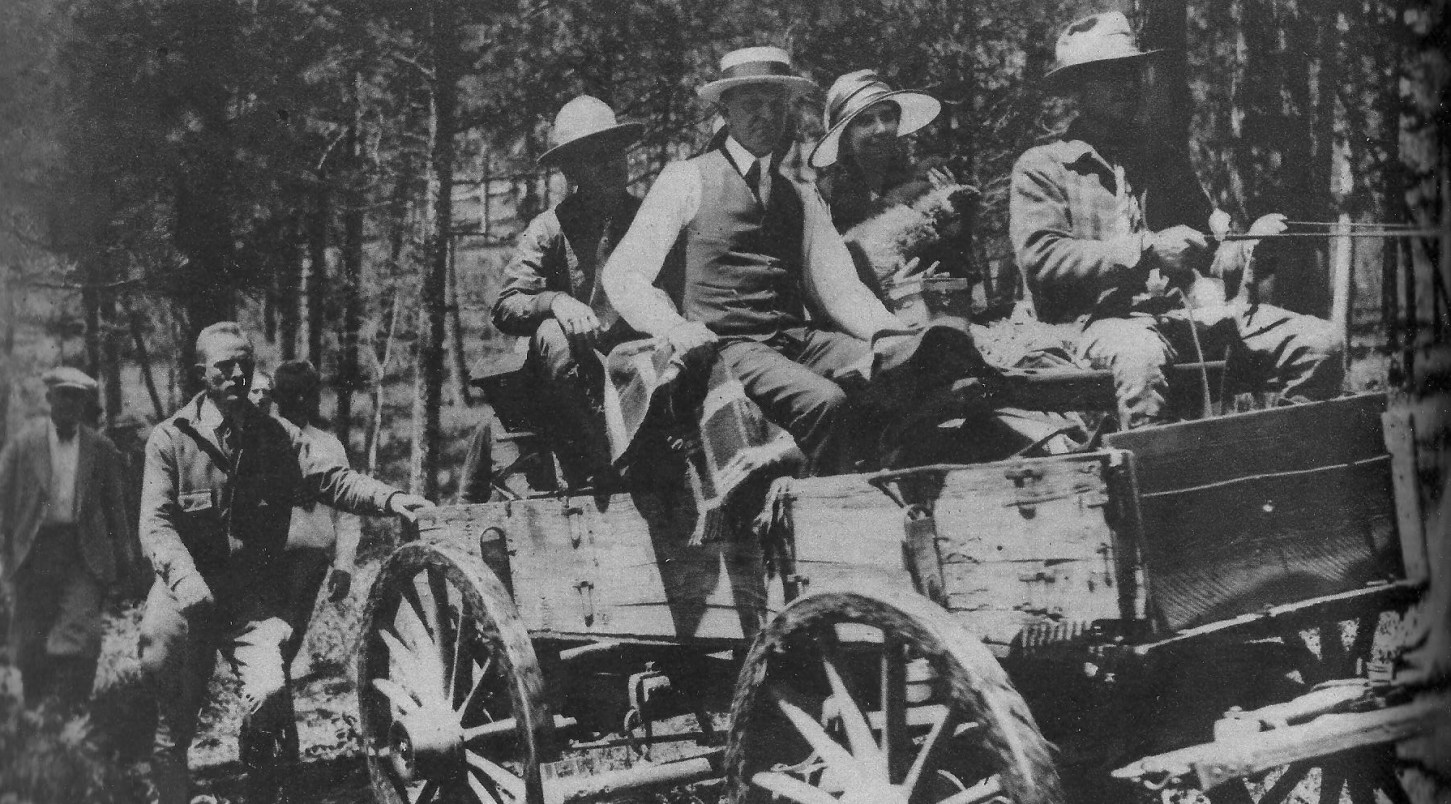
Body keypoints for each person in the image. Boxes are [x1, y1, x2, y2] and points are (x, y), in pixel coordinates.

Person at [136, 322, 433, 804]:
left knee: (271, 692)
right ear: (201, 374)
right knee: (172, 721)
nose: (237, 375)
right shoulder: (170, 439)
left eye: (245, 365)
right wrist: (185, 579)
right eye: (224, 366)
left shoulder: (275, 435)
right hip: (182, 596)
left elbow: (333, 479)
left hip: (248, 599)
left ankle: (256, 780)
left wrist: (391, 498)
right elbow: (156, 524)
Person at [1009, 11, 1343, 428]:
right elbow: (1042, 258)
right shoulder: (1043, 167)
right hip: (1091, 326)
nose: (1128, 85)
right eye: (1110, 75)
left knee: (1319, 342)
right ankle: (1155, 471)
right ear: (1079, 87)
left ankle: (1279, 457)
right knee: (1141, 359)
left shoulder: (1163, 159)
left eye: (1132, 73)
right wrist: (1147, 251)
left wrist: (1250, 247)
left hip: (1180, 320)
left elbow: (1211, 254)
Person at [602, 46, 920, 476]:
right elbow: (624, 274)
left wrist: (892, 334)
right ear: (725, 111)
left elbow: (842, 291)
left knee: (898, 369)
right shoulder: (686, 178)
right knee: (826, 402)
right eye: (752, 105)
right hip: (729, 346)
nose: (766, 116)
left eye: (777, 106)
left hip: (796, 341)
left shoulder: (800, 195)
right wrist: (673, 327)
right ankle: (826, 510)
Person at [466, 95, 649, 498]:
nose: (611, 164)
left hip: (643, 367)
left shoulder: (651, 218)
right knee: (552, 335)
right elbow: (506, 304)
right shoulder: (550, 228)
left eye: (616, 152)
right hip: (580, 378)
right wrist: (555, 302)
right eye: (596, 157)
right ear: (573, 169)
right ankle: (595, 467)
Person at [0, 367, 138, 708]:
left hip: (83, 550)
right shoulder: (25, 444)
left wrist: (125, 560)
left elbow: (115, 508)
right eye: (63, 395)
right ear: (50, 398)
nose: (70, 404)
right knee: (32, 638)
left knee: (80, 632)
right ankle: (37, 713)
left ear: (84, 403)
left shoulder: (100, 448)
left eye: (77, 398)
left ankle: (71, 707)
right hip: (34, 550)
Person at [268, 360, 362, 675]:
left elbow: (347, 512)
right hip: (263, 558)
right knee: (263, 645)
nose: (300, 402)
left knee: (288, 641)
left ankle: (277, 701)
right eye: (291, 394)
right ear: (276, 397)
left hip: (309, 557)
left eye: (308, 394)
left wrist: (343, 565)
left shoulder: (328, 446)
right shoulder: (258, 441)